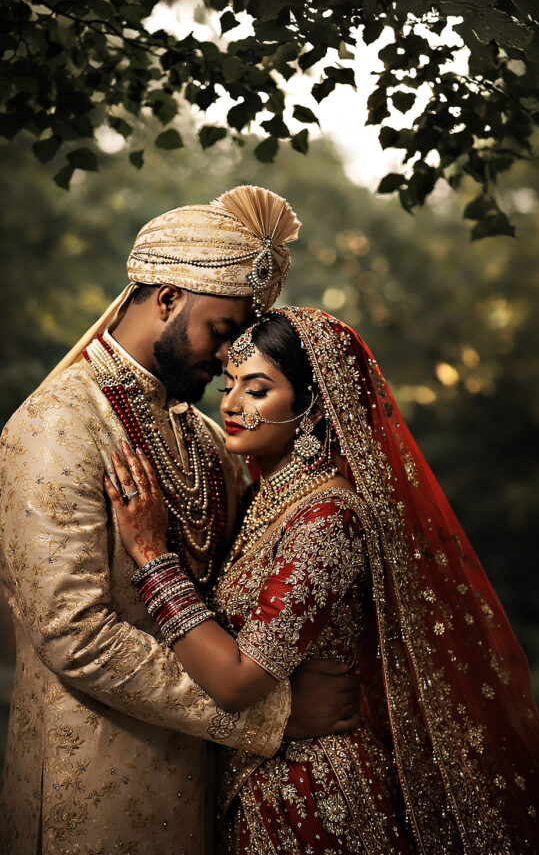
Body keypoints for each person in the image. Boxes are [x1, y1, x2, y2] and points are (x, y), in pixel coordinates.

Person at [109, 306, 539, 854]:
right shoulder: (263, 500)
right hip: (260, 784)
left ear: (310, 406)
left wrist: (151, 556)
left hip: (311, 797)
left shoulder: (329, 517)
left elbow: (237, 680)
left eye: (257, 391)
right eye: (229, 384)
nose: (229, 404)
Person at [0, 189, 358, 855]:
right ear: (167, 299)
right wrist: (271, 714)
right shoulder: (58, 426)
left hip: (209, 782)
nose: (228, 361)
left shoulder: (203, 435)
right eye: (222, 334)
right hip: (95, 784)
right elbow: (74, 635)